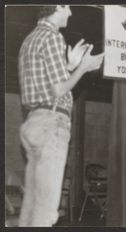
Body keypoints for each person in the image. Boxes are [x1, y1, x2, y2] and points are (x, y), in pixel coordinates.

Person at [18, 5, 104, 226]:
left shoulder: (30, 39)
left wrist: (69, 65)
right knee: (46, 210)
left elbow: (47, 83)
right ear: (56, 7)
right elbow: (58, 90)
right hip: (52, 124)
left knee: (31, 206)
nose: (70, 13)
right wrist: (83, 67)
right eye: (66, 7)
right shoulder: (53, 37)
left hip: (33, 122)